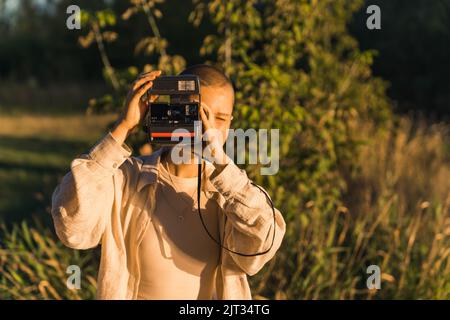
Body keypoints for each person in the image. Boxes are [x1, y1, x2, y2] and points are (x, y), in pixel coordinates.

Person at [51, 64, 286, 300]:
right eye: (199, 113)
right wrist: (123, 127)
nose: (208, 127)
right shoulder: (128, 178)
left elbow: (261, 246)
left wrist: (223, 165)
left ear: (231, 124)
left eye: (221, 119)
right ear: (175, 111)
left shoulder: (232, 192)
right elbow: (71, 226)